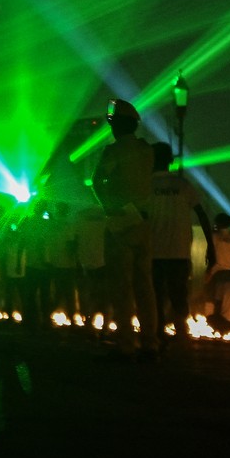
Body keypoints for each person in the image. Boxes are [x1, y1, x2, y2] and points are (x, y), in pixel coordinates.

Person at [92, 99, 158, 360]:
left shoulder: (113, 151)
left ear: (117, 125)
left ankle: (126, 343)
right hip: (144, 221)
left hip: (121, 222)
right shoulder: (147, 150)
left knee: (122, 286)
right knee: (145, 285)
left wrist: (110, 207)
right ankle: (150, 342)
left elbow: (98, 182)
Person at [149, 141, 214, 347]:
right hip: (179, 250)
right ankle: (181, 333)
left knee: (155, 293)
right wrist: (211, 246)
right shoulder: (183, 185)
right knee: (179, 293)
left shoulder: (144, 186)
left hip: (153, 250)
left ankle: (157, 332)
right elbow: (202, 215)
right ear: (171, 160)